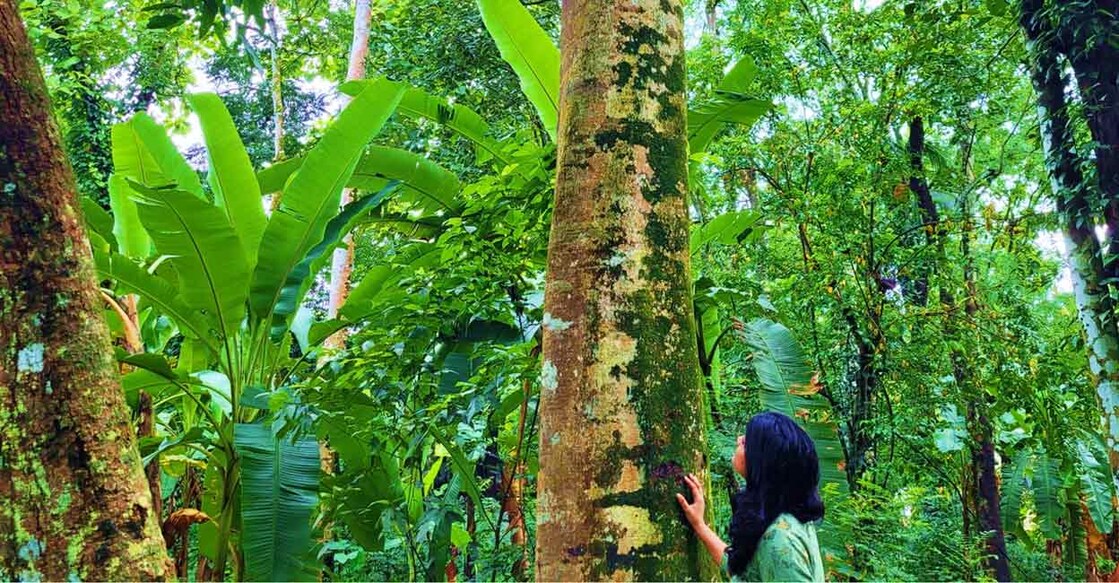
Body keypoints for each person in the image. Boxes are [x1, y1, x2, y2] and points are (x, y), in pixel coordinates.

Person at [676, 411, 826, 581]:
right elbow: (744, 572)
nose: (738, 439)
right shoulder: (780, 515)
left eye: (746, 442)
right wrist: (699, 525)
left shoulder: (780, 539)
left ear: (763, 462)